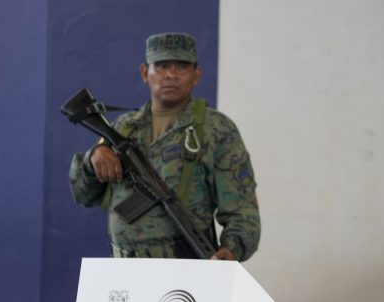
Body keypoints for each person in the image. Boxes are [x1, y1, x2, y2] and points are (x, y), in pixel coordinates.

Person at [69, 32, 260, 261]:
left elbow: (242, 210)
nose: (171, 74)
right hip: (124, 269)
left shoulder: (217, 130)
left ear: (196, 74)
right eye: (161, 66)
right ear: (144, 73)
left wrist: (231, 250)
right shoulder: (123, 127)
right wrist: (93, 159)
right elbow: (84, 195)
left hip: (185, 266)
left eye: (182, 66)